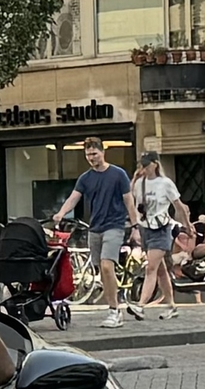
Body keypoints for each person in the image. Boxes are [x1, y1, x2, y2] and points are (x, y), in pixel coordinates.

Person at [53, 139, 141, 325]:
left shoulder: (118, 174)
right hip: (95, 228)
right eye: (88, 155)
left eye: (94, 154)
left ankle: (114, 311)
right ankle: (115, 304)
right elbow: (74, 198)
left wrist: (135, 227)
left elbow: (129, 201)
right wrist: (61, 213)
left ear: (103, 152)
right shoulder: (85, 178)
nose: (91, 158)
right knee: (102, 270)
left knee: (107, 266)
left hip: (115, 226)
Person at [132, 157, 188, 317]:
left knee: (151, 268)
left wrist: (187, 224)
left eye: (146, 165)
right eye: (140, 165)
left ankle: (141, 305)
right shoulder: (139, 183)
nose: (143, 168)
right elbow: (131, 200)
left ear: (155, 164)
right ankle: (171, 305)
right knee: (161, 270)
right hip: (146, 228)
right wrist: (135, 178)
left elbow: (179, 205)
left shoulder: (165, 183)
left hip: (162, 228)